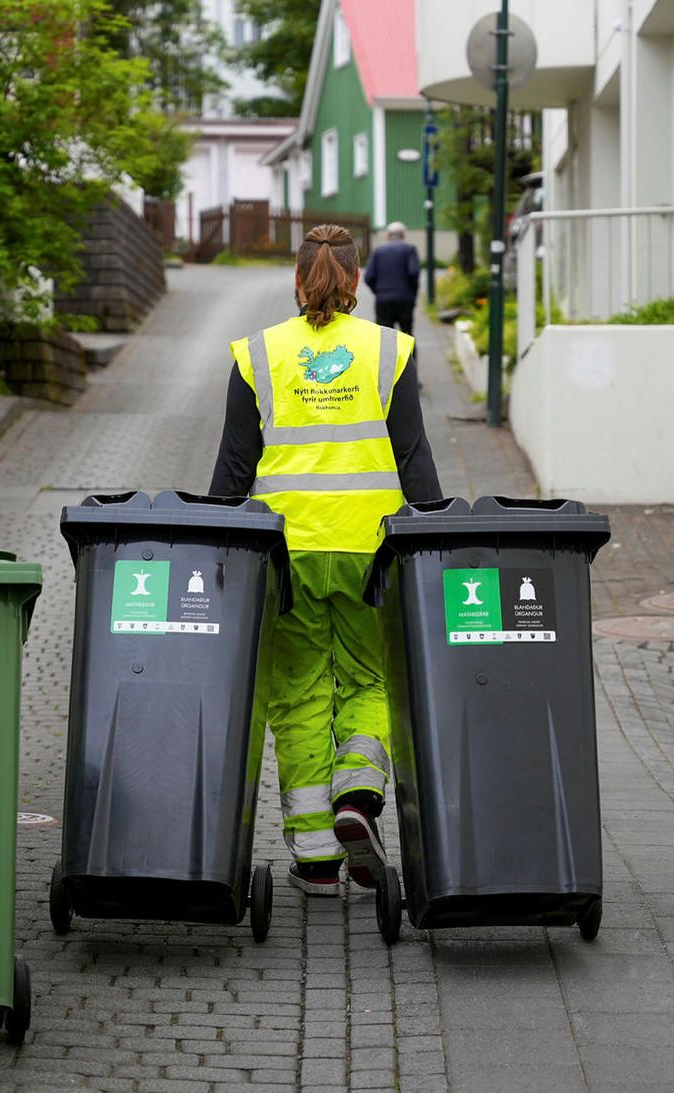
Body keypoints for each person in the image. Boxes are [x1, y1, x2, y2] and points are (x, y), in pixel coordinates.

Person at [209, 224, 440, 896]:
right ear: (358, 280)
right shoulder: (387, 351)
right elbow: (414, 457)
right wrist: (437, 536)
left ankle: (314, 863)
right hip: (372, 551)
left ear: (297, 279)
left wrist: (220, 545)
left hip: (288, 556)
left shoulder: (258, 353)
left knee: (301, 693)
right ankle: (358, 798)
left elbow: (232, 469)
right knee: (372, 679)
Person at [363, 222, 421, 337]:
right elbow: (414, 273)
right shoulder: (409, 249)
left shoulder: (378, 251)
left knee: (384, 338)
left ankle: (386, 356)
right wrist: (412, 294)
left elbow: (368, 276)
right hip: (404, 299)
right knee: (407, 335)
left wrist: (379, 291)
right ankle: (409, 355)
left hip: (383, 300)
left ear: (387, 236)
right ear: (404, 236)